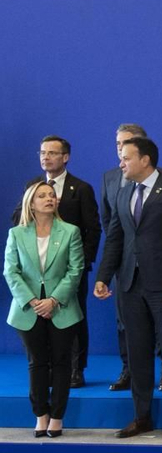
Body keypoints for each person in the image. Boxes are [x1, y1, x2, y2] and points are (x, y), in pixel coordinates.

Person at [94, 136, 162, 439]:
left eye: (126, 157)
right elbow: (115, 238)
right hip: (129, 284)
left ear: (145, 160)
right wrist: (103, 276)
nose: (121, 163)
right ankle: (142, 416)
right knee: (137, 352)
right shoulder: (124, 193)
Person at [12, 136, 99, 389]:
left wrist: (82, 264)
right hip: (36, 270)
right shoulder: (33, 185)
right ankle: (44, 366)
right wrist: (36, 206)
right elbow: (16, 219)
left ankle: (76, 369)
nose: (45, 157)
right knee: (40, 318)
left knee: (73, 318)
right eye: (42, 152)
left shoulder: (80, 188)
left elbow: (92, 230)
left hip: (70, 269)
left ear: (65, 157)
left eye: (52, 152)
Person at [5, 180, 85, 437]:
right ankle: (41, 415)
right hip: (27, 309)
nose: (49, 199)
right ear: (31, 202)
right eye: (42, 195)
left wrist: (53, 300)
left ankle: (58, 417)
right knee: (37, 363)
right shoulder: (16, 234)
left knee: (62, 363)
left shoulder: (70, 231)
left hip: (62, 308)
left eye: (52, 195)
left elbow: (76, 270)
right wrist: (32, 301)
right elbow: (10, 271)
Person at [100, 123, 146, 391]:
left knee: (157, 321)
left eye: (126, 142)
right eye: (117, 143)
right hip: (124, 261)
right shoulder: (109, 177)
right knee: (123, 320)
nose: (120, 148)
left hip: (152, 263)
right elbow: (109, 221)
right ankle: (128, 369)